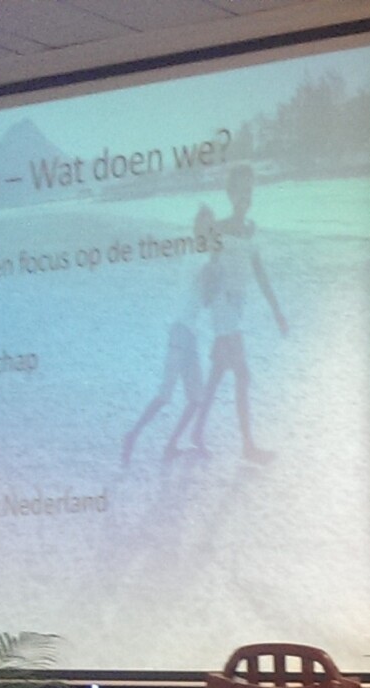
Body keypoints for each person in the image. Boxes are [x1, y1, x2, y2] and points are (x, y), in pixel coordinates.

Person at [184, 164, 287, 463]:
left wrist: (277, 311)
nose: (246, 195)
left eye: (249, 190)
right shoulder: (221, 228)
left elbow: (261, 274)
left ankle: (196, 432)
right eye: (241, 190)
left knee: (218, 371)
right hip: (223, 306)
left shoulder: (251, 229)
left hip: (237, 307)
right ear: (230, 194)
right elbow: (205, 257)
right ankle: (248, 446)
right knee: (243, 374)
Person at [120, 206, 218, 465]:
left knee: (196, 398)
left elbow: (206, 297)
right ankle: (132, 435)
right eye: (204, 225)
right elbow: (208, 297)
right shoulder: (199, 256)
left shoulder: (199, 254)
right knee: (166, 395)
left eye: (210, 226)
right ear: (197, 227)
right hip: (180, 331)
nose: (207, 230)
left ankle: (170, 445)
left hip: (188, 333)